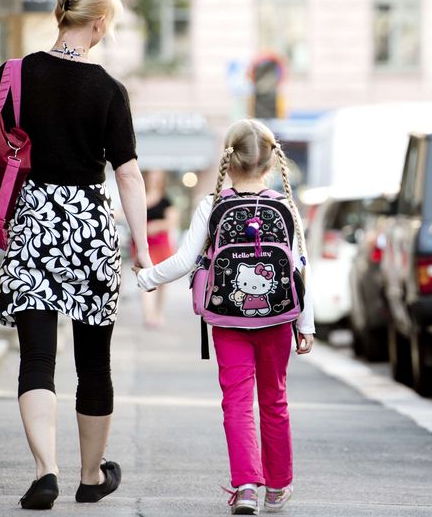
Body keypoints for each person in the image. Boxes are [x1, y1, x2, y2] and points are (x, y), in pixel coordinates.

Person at [0, 0, 152, 510]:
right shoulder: (109, 91)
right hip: (89, 229)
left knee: (37, 358)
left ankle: (45, 470)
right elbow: (127, 176)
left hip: (32, 223)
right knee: (94, 361)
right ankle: (92, 474)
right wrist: (142, 246)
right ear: (98, 22)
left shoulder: (13, 75)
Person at [135, 119, 315, 516]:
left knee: (236, 401)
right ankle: (278, 486)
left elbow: (184, 261)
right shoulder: (284, 205)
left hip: (227, 322)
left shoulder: (212, 205)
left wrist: (146, 278)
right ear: (269, 162)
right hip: (278, 320)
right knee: (274, 400)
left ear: (228, 159)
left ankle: (247, 486)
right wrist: (306, 324)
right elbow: (300, 267)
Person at [137, 170, 176, 328]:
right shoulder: (139, 197)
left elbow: (171, 221)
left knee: (162, 281)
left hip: (161, 244)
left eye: (156, 178)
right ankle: (149, 315)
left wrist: (157, 225)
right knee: (145, 277)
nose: (153, 180)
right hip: (143, 244)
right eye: (151, 177)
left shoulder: (166, 201)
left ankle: (158, 312)